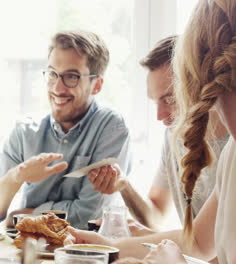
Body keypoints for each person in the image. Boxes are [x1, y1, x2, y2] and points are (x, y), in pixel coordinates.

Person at [65, 0, 236, 263]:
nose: (161, 116)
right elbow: (200, 242)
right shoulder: (230, 156)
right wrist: (110, 244)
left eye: (170, 99)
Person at [0, 30, 132, 229]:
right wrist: (17, 176)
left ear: (96, 85)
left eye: (71, 77)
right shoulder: (25, 132)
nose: (57, 88)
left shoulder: (111, 127)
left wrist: (22, 215)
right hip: (28, 247)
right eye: (52, 74)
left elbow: (87, 216)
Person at [87, 36, 228, 233]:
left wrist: (148, 239)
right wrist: (124, 186)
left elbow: (209, 248)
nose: (160, 116)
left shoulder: (231, 145)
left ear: (200, 84)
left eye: (170, 100)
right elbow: (156, 217)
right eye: (155, 102)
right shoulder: (173, 136)